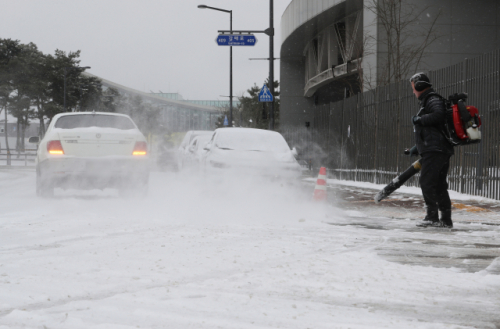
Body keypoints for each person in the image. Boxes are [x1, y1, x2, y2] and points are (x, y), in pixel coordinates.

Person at [408, 73, 454, 228]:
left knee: (427, 182)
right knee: (439, 184)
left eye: (413, 88)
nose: (413, 92)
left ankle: (432, 217)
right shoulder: (428, 100)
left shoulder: (432, 99)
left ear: (420, 86)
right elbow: (433, 129)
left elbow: (438, 115)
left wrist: (419, 119)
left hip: (436, 150)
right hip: (438, 149)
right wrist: (418, 147)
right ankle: (446, 220)